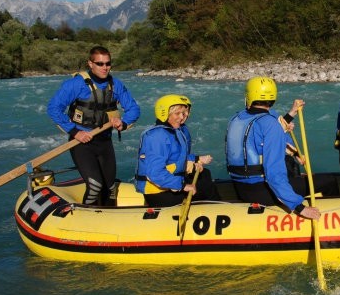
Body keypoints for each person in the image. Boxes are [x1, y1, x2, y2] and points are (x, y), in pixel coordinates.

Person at [225, 76, 339, 220]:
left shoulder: (237, 118)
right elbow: (274, 174)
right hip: (260, 191)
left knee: (291, 169)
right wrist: (299, 206)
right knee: (329, 181)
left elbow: (270, 125)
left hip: (240, 186)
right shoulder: (271, 125)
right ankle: (334, 218)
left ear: (249, 96)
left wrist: (290, 117)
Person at [47, 45, 140, 205]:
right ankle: (84, 218)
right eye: (100, 64)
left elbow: (133, 108)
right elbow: (54, 108)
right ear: (90, 64)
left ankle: (106, 219)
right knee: (95, 185)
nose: (105, 67)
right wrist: (75, 132)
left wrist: (123, 123)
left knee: (110, 187)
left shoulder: (116, 85)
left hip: (104, 142)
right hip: (81, 142)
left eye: (108, 63)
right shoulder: (75, 84)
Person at [135, 94, 220, 207]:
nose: (182, 117)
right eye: (177, 113)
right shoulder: (157, 136)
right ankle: (216, 209)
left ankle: (216, 207)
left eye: (184, 113)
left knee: (205, 174)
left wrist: (195, 160)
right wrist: (183, 185)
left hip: (168, 184)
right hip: (157, 192)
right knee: (204, 188)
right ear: (165, 114)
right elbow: (155, 173)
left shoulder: (175, 131)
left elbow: (177, 158)